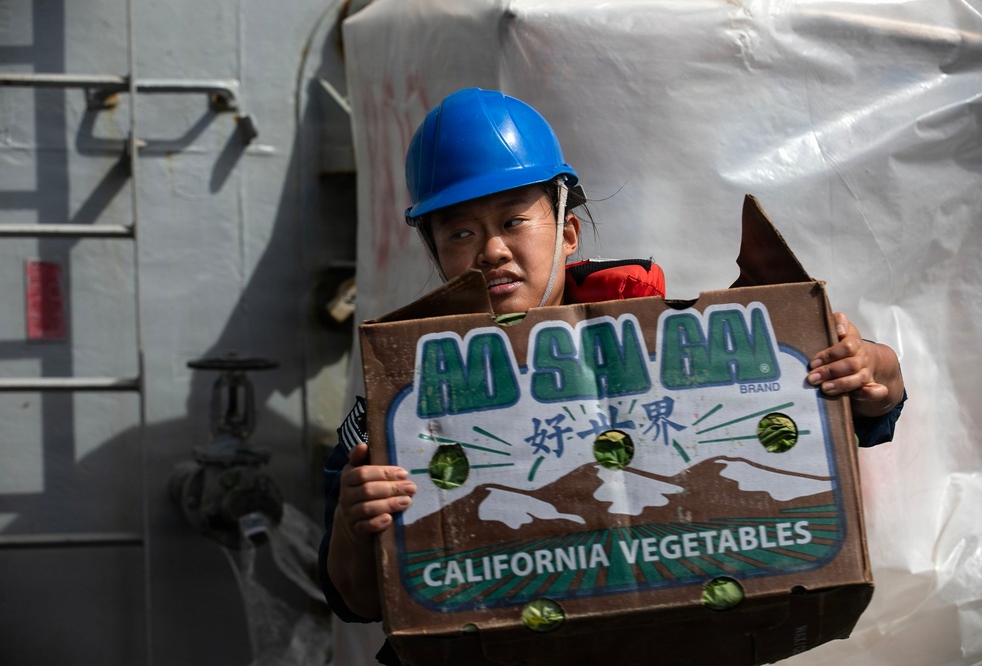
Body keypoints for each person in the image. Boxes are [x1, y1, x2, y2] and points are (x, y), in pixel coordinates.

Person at [317, 87, 906, 665]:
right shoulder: (393, 405)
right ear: (436, 251)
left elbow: (865, 405)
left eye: (515, 220)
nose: (492, 250)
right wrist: (354, 522)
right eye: (461, 232)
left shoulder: (666, 342)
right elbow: (354, 599)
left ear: (567, 232)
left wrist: (869, 366)